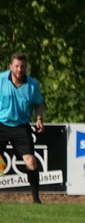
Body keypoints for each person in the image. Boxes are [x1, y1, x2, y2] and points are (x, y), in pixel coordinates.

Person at [1, 52, 45, 203]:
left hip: (21, 126)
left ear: (26, 67)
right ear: (11, 67)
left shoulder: (33, 85)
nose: (19, 69)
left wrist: (39, 118)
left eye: (22, 66)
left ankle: (36, 199)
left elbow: (39, 103)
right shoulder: (1, 80)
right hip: (1, 124)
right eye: (17, 66)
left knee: (31, 161)